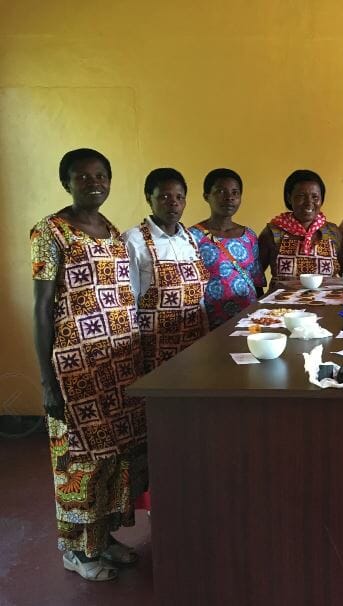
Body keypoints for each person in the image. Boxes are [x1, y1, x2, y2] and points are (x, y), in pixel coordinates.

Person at [31, 148, 146, 581]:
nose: (93, 183)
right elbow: (42, 309)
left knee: (113, 458)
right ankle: (76, 552)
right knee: (78, 462)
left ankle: (103, 539)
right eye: (83, 177)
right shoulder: (51, 232)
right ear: (67, 182)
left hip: (116, 366)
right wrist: (46, 381)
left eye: (101, 175)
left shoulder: (113, 232)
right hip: (76, 369)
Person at [123, 168, 209, 373]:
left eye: (180, 197)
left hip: (194, 340)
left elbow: (200, 298)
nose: (173, 202)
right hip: (155, 345)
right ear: (148, 198)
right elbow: (128, 301)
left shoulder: (189, 239)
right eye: (164, 196)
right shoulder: (133, 240)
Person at [189, 168, 265, 329]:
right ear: (206, 196)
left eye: (235, 192)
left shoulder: (249, 235)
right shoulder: (192, 236)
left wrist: (261, 314)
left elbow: (256, 281)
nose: (229, 197)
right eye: (221, 191)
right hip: (209, 319)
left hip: (248, 317)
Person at [258, 169, 343, 283]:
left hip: (327, 300)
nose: (309, 203)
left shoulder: (333, 232)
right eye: (301, 196)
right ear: (289, 198)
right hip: (283, 300)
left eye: (315, 197)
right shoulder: (272, 233)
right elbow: (255, 278)